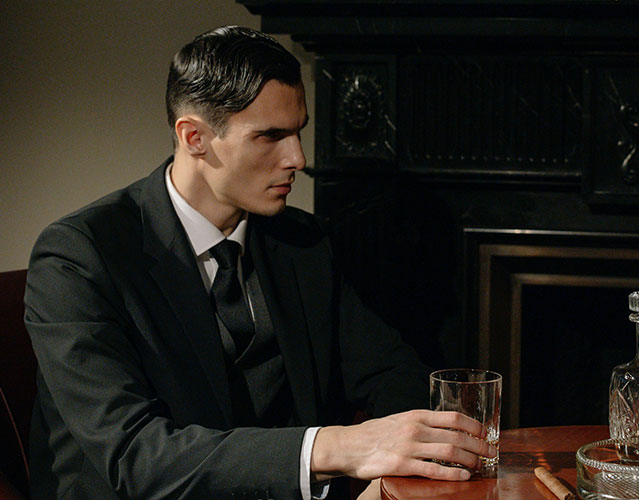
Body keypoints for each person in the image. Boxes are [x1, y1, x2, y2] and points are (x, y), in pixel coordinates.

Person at [24, 26, 495, 500]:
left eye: (298, 132)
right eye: (270, 136)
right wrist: (334, 447)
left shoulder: (303, 241)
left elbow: (390, 374)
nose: (298, 157)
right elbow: (134, 454)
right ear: (194, 137)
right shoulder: (79, 257)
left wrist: (386, 479)